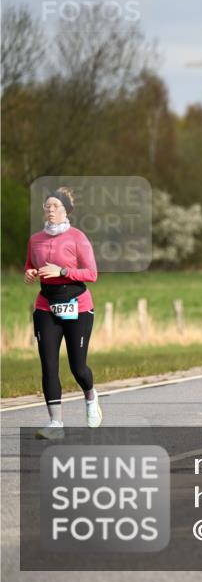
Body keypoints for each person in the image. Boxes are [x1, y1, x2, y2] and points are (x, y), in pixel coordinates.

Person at [24, 187, 102, 439]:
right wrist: (30, 273)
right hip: (46, 305)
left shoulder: (77, 237)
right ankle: (55, 423)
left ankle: (90, 396)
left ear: (66, 210)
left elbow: (91, 274)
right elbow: (30, 265)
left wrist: (63, 272)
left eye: (55, 206)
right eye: (47, 206)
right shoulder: (35, 239)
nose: (50, 210)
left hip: (77, 305)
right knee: (48, 365)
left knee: (78, 368)